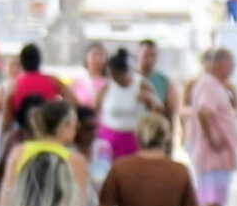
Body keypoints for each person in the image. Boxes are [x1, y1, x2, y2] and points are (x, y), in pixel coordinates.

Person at [186, 48, 237, 206]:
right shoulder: (210, 85)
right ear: (221, 65)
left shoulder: (215, 85)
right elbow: (203, 111)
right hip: (212, 157)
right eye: (231, 65)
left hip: (217, 158)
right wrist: (212, 137)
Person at [93, 48, 147, 179]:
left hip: (132, 138)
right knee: (106, 175)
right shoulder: (107, 86)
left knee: (130, 176)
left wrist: (149, 99)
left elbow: (157, 108)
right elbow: (95, 108)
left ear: (125, 72)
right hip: (108, 138)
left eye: (117, 75)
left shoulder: (141, 84)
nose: (114, 79)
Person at [5, 42, 65, 135]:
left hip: (22, 134)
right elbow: (73, 102)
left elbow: (7, 121)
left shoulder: (14, 85)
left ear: (22, 62)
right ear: (39, 60)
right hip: (48, 133)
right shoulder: (53, 81)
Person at [135, 39, 172, 114]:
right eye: (146, 55)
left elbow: (170, 111)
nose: (150, 60)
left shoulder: (164, 81)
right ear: (137, 54)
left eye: (153, 56)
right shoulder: (127, 78)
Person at [71, 41, 109, 109]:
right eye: (94, 55)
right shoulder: (77, 80)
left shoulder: (109, 82)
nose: (98, 58)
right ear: (86, 57)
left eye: (101, 55)